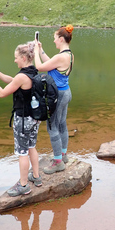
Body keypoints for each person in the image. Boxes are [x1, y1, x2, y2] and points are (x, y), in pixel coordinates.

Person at [0, 42, 42, 196]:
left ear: (23, 57)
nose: (14, 60)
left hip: (23, 119)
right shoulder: (33, 71)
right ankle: (36, 177)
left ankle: (23, 186)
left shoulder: (22, 76)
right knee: (32, 147)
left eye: (16, 58)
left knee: (22, 152)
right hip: (35, 118)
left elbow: (2, 93)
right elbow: (13, 81)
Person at [34, 25, 74, 174]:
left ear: (61, 39)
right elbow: (51, 64)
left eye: (55, 38)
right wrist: (42, 50)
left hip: (58, 96)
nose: (54, 41)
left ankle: (57, 162)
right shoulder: (68, 54)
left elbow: (39, 66)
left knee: (52, 127)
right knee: (62, 123)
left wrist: (36, 52)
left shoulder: (60, 56)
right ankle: (63, 155)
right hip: (66, 93)